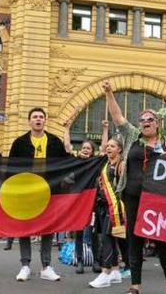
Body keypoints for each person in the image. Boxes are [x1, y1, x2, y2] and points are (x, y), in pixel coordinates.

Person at [103, 80, 166, 294]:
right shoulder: (132, 136)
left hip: (157, 199)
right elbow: (118, 117)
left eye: (150, 119)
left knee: (161, 241)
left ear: (157, 123)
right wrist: (110, 93)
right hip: (132, 196)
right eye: (142, 120)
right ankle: (135, 286)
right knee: (134, 240)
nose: (145, 122)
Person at [9, 107, 68, 282]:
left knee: (48, 228)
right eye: (34, 117)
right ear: (29, 121)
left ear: (45, 121)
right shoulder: (19, 143)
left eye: (41, 117)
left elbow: (66, 163)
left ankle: (46, 266)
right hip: (26, 192)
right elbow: (10, 168)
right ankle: (25, 265)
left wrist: (85, 161)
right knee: (24, 228)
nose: (38, 119)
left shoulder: (55, 142)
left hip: (49, 191)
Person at [63, 109, 103, 274]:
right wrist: (66, 128)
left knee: (93, 233)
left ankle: (96, 262)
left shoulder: (95, 162)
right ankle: (79, 261)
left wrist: (105, 129)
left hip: (92, 202)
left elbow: (104, 148)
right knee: (79, 232)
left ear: (92, 152)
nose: (86, 149)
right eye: (84, 147)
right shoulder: (76, 161)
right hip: (78, 202)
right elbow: (66, 146)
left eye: (89, 148)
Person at [89, 137, 127, 288]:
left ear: (119, 149)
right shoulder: (105, 164)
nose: (108, 148)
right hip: (103, 207)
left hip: (116, 208)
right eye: (108, 146)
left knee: (107, 239)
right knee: (111, 239)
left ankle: (105, 273)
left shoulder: (121, 165)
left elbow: (125, 186)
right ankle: (116, 272)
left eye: (112, 146)